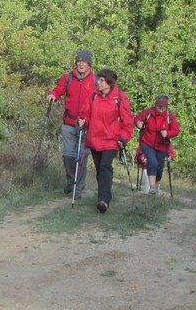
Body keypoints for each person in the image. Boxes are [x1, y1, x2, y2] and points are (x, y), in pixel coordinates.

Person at [46, 50, 98, 198]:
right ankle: (71, 181)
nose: (81, 64)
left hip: (87, 125)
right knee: (68, 155)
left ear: (89, 64)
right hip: (69, 122)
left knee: (81, 156)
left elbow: (102, 98)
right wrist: (52, 95)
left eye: (84, 61)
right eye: (79, 61)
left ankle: (78, 188)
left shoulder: (95, 80)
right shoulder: (68, 77)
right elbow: (58, 90)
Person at [81, 69, 133, 212]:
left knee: (105, 166)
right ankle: (104, 195)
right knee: (99, 170)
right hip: (94, 138)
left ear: (109, 83)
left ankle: (103, 200)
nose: (98, 82)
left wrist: (124, 137)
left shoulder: (120, 97)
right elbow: (85, 113)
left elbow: (127, 121)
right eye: (98, 80)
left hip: (112, 139)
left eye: (101, 80)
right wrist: (82, 120)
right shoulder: (93, 96)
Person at [134, 95, 180, 195]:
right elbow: (137, 118)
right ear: (155, 105)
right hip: (147, 142)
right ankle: (152, 187)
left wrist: (167, 133)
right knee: (152, 162)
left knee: (159, 168)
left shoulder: (170, 116)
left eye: (163, 107)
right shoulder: (149, 112)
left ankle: (155, 188)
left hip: (162, 145)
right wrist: (138, 123)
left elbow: (176, 130)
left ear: (166, 107)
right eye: (159, 107)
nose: (160, 109)